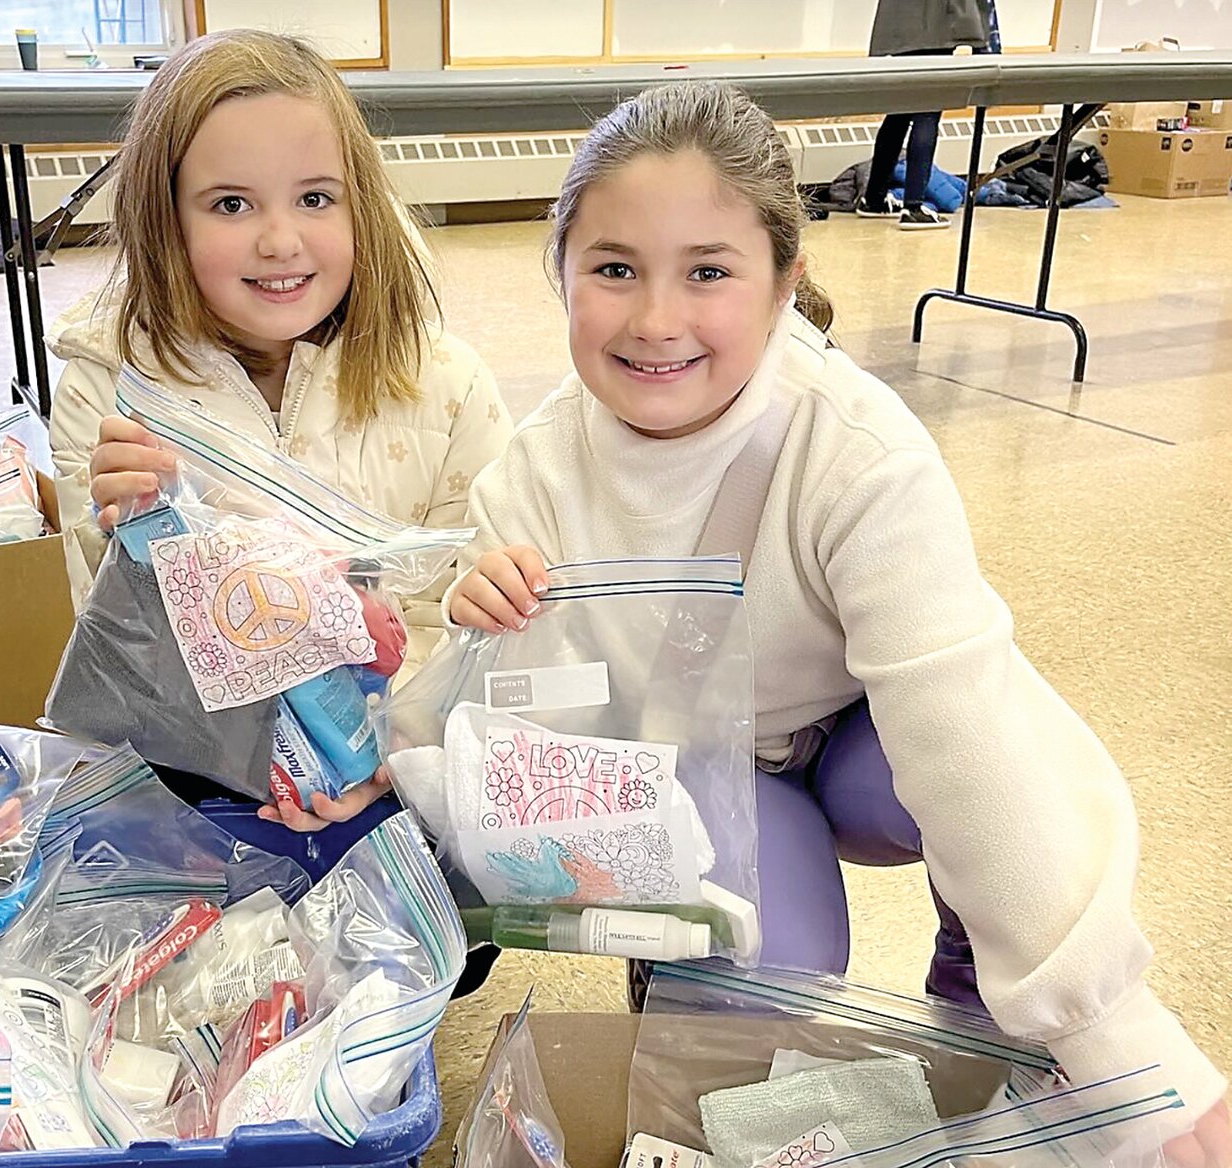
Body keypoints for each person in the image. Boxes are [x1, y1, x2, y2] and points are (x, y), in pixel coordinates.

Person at [449, 80, 1230, 1165]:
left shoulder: (859, 450)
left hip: (863, 731)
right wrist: (485, 625)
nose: (656, 319)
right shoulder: (530, 473)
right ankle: (681, 989)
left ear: (783, 284)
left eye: (710, 272)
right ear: (561, 272)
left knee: (983, 761)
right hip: (701, 766)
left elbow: (961, 723)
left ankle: (976, 964)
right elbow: (508, 742)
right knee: (759, 1001)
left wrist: (1112, 1034)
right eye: (613, 268)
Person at [47, 30, 511, 830]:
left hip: (402, 776)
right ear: (164, 218)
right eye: (231, 204)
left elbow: (467, 612)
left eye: (315, 198)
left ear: (361, 203)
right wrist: (120, 540)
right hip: (197, 780)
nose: (280, 240)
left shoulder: (446, 383)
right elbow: (103, 645)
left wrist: (385, 758)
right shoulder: (111, 382)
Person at [858, 0, 997, 229]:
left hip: (900, 28)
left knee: (899, 113)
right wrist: (979, 37)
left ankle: (874, 198)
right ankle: (913, 207)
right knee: (928, 114)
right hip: (937, 27)